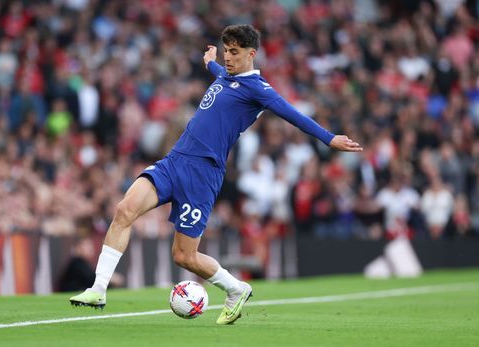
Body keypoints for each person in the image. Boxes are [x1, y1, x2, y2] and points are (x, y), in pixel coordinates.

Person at [69, 24, 363, 325]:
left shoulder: (259, 90)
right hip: (175, 161)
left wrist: (329, 139)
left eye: (235, 53)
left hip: (203, 176)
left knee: (184, 257)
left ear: (252, 54)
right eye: (226, 52)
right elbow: (216, 70)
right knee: (124, 210)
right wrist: (210, 59)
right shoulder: (225, 74)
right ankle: (98, 289)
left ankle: (236, 289)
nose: (228, 58)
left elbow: (294, 115)